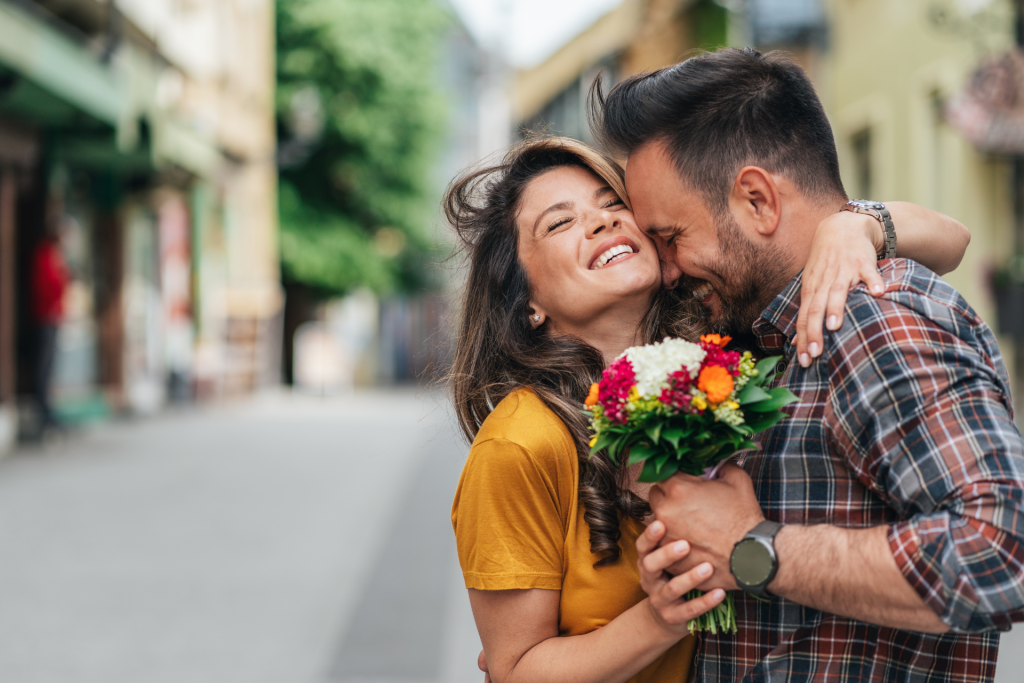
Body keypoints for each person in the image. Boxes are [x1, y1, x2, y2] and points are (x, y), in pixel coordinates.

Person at [445, 133, 970, 683]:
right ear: (525, 303)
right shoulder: (523, 443)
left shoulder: (725, 357)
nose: (601, 223)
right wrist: (662, 616)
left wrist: (854, 225)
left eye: (613, 204)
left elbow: (953, 240)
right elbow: (515, 670)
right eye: (559, 223)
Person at [595, 47, 1024, 682]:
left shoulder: (874, 320)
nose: (665, 268)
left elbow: (1000, 553)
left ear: (758, 201)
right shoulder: (764, 332)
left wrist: (753, 549)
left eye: (671, 238)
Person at [31, 226, 69, 432]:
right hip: (46, 315)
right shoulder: (46, 256)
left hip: (53, 315)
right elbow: (50, 285)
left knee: (50, 362)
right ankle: (43, 407)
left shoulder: (54, 256)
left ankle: (48, 406)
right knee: (45, 363)